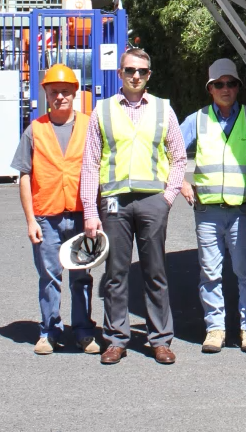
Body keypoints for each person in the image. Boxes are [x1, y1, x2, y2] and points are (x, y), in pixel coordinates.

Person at [79, 48, 187, 365]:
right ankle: (115, 339)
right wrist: (89, 210)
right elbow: (90, 164)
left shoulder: (164, 110)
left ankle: (160, 340)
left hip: (153, 200)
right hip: (114, 201)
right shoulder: (102, 111)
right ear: (120, 73)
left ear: (149, 75)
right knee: (115, 273)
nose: (135, 76)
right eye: (129, 70)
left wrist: (167, 198)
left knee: (155, 272)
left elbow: (178, 157)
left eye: (141, 71)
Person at [11, 64, 98, 356]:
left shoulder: (89, 126)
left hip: (81, 215)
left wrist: (95, 215)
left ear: (75, 93)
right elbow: (24, 175)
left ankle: (84, 331)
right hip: (46, 217)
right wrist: (30, 220)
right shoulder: (35, 130)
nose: (59, 96)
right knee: (49, 276)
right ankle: (49, 331)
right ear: (46, 95)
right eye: (54, 92)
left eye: (65, 91)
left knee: (81, 276)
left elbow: (101, 168)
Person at [179, 58, 246, 355]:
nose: (225, 89)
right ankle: (215, 330)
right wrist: (180, 182)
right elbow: (169, 151)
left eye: (230, 83)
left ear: (238, 87)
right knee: (210, 272)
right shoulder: (197, 120)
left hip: (242, 210)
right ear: (210, 89)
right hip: (208, 211)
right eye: (219, 84)